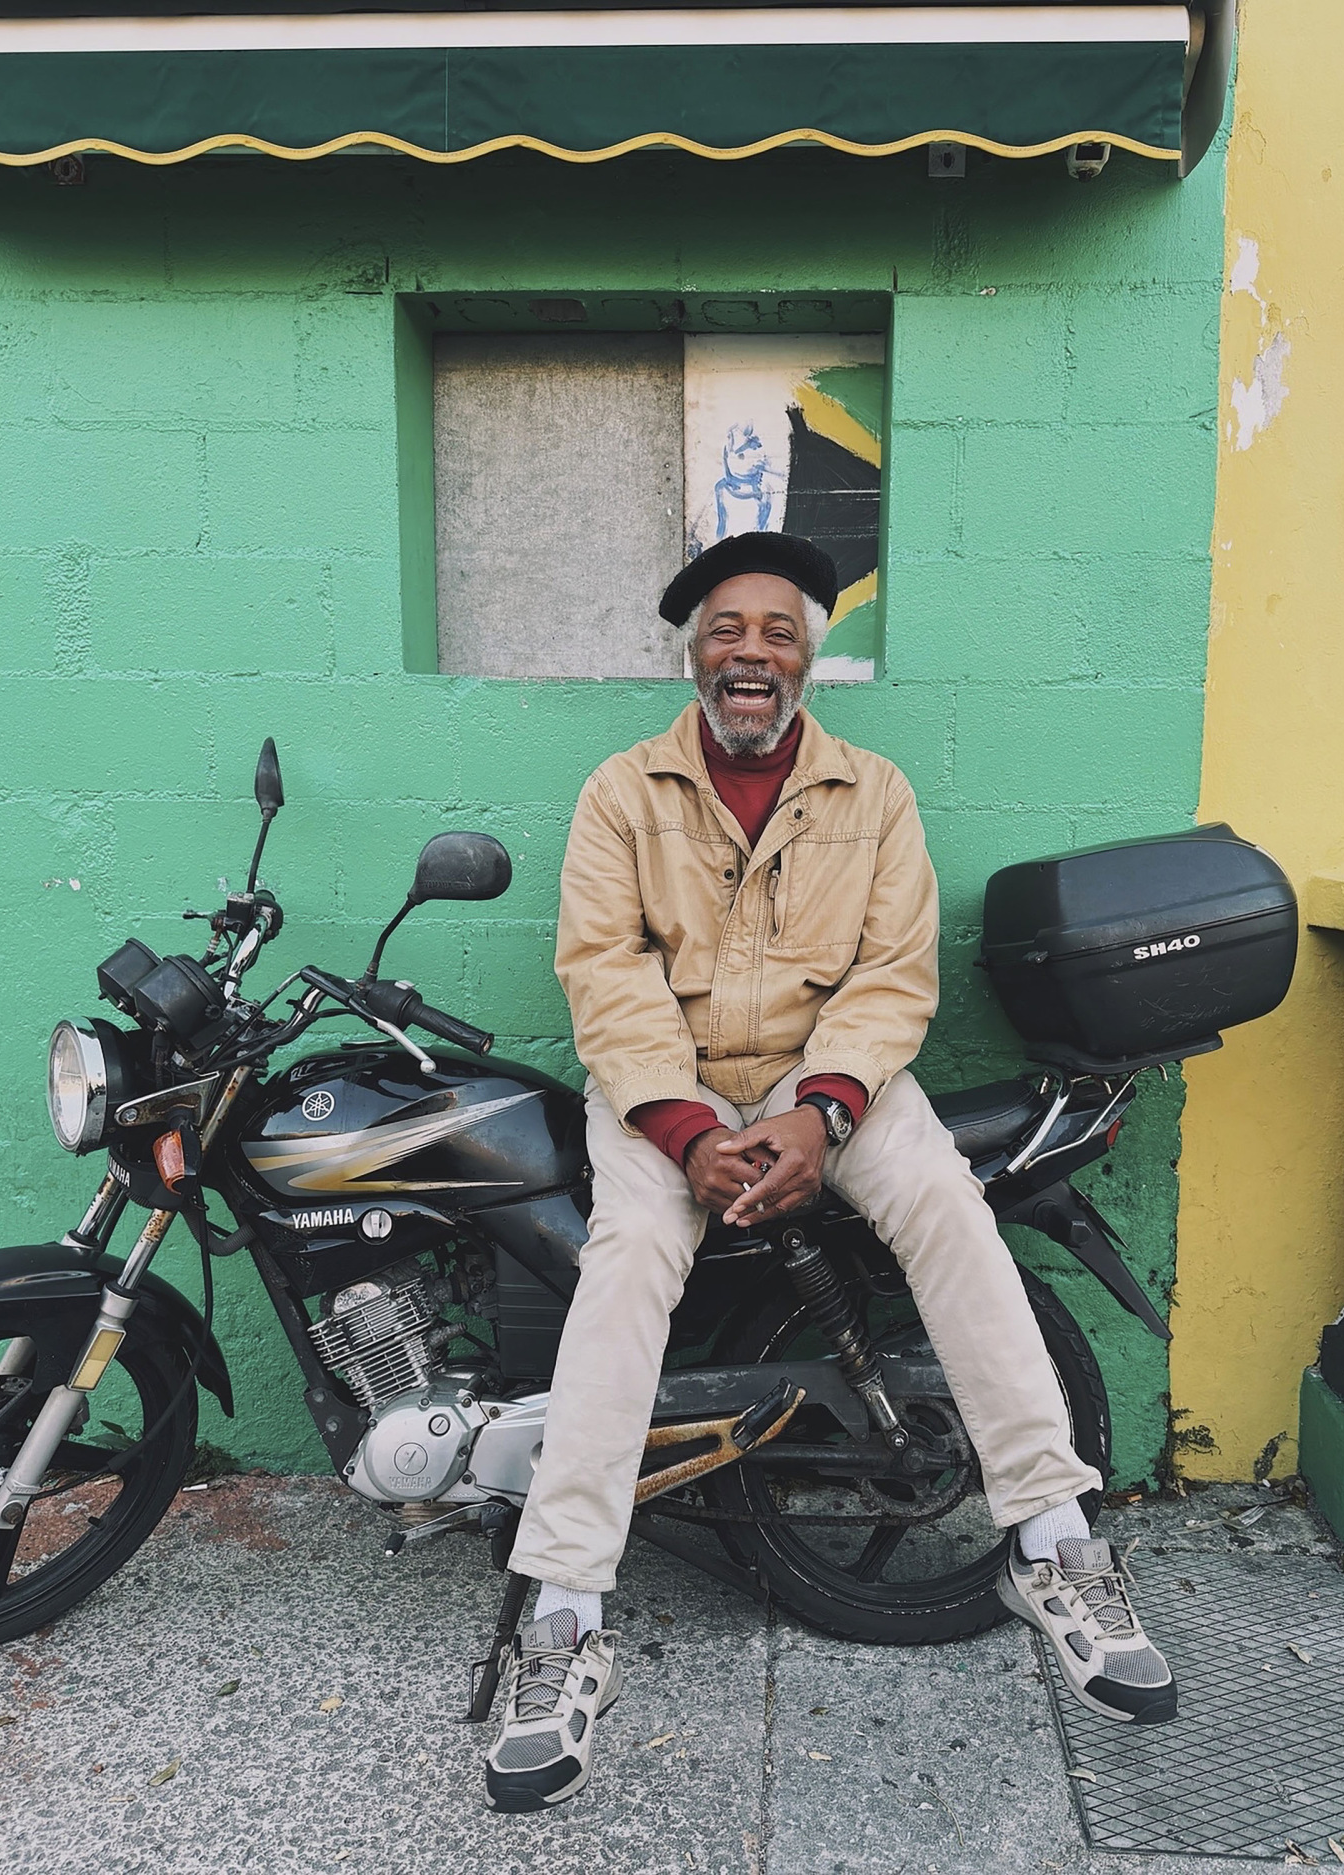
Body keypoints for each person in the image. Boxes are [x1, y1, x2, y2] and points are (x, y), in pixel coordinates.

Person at [483, 532, 1175, 1812]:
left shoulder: (876, 794)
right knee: (624, 1265)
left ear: (808, 657)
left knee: (951, 1216)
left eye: (779, 631)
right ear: (694, 654)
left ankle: (1054, 1542)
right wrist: (685, 1130)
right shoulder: (622, 793)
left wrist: (821, 1113)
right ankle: (566, 1615)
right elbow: (604, 973)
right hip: (670, 1087)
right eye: (728, 629)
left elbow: (893, 976)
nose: (752, 652)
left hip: (834, 1082)